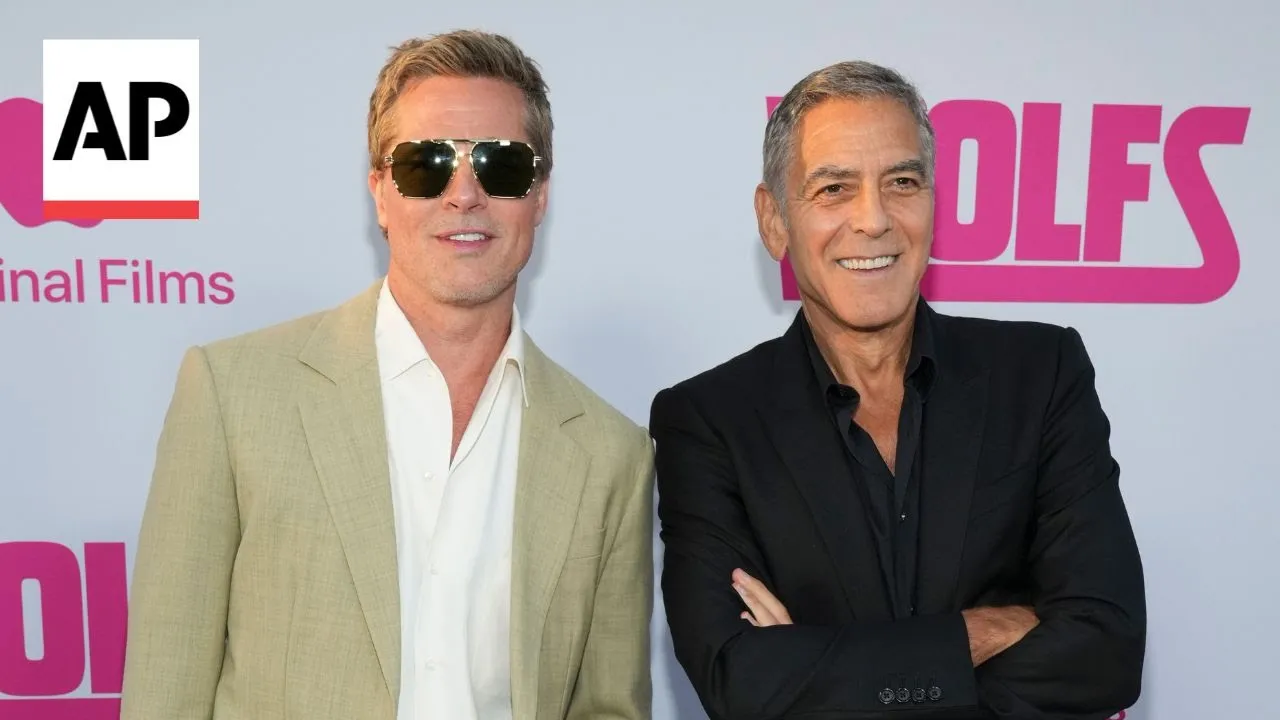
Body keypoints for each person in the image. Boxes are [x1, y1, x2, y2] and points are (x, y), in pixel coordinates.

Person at [120, 30, 655, 720]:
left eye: (500, 163)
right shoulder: (232, 394)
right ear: (380, 192)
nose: (464, 194)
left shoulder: (612, 456)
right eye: (427, 164)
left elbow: (608, 708)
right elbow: (166, 685)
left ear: (540, 195)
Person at [649, 60, 1146, 719]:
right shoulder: (708, 421)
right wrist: (981, 632)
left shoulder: (1040, 373)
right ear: (774, 220)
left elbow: (1106, 651)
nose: (874, 220)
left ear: (934, 201)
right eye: (833, 189)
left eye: (902, 182)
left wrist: (817, 669)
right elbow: (740, 683)